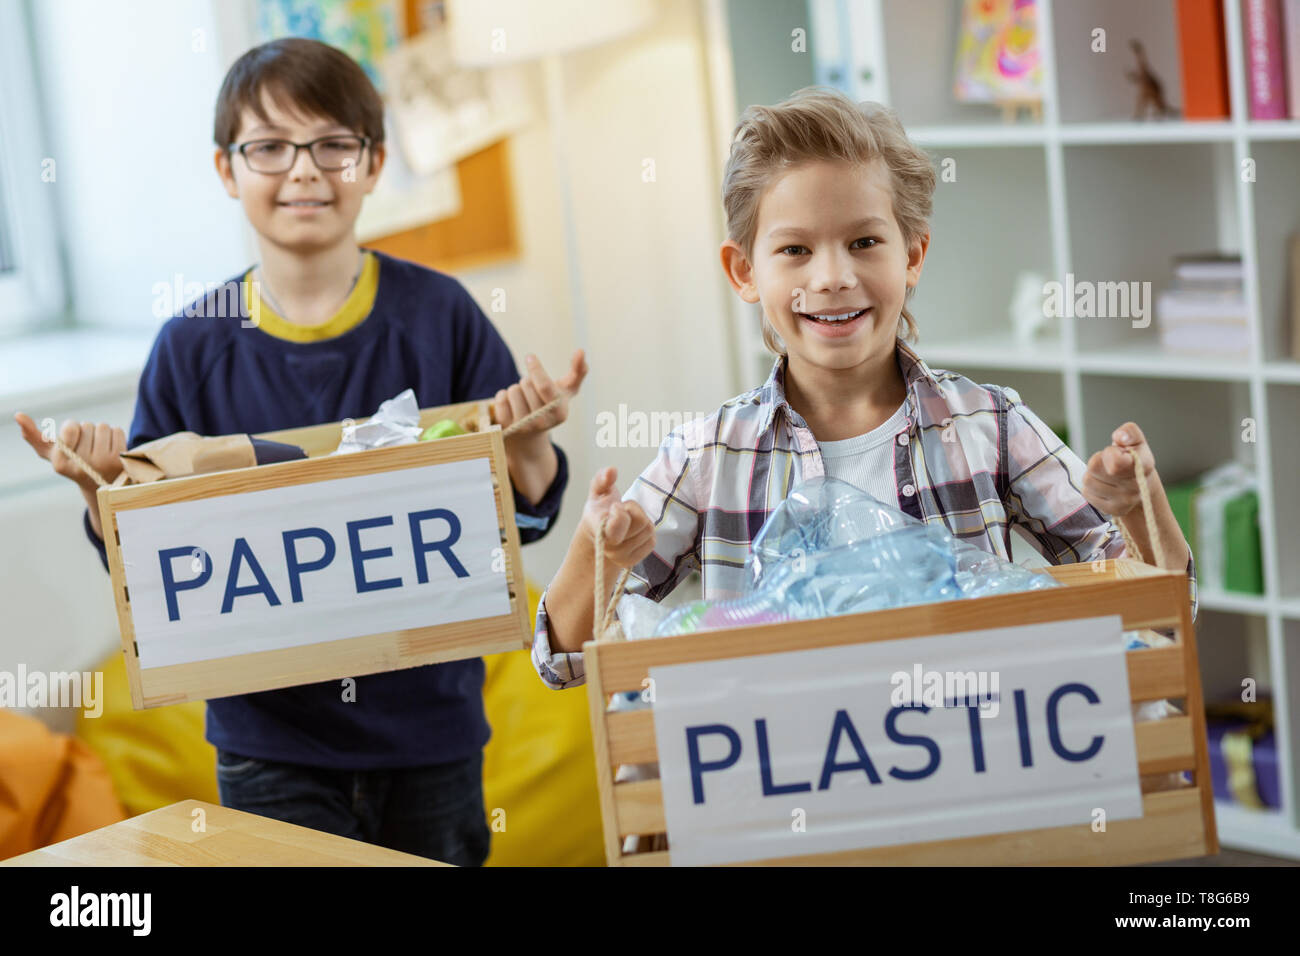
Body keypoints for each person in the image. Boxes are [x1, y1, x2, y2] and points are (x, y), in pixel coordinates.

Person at [15, 37, 584, 866]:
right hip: (266, 740)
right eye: (271, 147)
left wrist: (528, 445)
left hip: (432, 727)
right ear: (226, 170)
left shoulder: (442, 316)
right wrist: (99, 487)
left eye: (333, 146)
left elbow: (520, 521)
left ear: (374, 163)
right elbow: (145, 554)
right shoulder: (190, 346)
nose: (304, 171)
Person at [532, 86, 1196, 688]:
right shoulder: (707, 456)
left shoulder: (991, 424)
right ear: (743, 272)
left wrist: (1136, 506)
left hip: (976, 781)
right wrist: (599, 547)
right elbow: (562, 660)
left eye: (864, 242)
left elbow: (1165, 614)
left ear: (911, 256)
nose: (831, 276)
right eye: (794, 250)